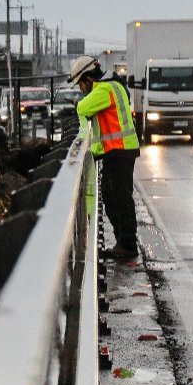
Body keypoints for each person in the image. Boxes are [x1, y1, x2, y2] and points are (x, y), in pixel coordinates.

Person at [70, 55, 141, 261]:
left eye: (81, 84)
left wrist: (80, 103)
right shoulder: (114, 85)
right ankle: (123, 242)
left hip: (119, 151)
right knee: (113, 198)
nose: (81, 89)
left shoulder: (104, 89)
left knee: (120, 198)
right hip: (119, 151)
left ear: (89, 78)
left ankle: (127, 244)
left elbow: (82, 108)